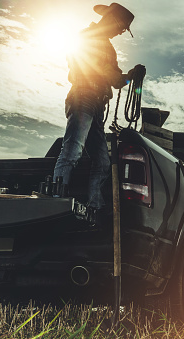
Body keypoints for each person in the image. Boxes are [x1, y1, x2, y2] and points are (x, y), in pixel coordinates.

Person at [53, 3, 137, 217]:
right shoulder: (90, 37)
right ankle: (57, 198)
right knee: (73, 149)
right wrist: (130, 75)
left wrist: (128, 76)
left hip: (96, 104)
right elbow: (114, 78)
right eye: (121, 27)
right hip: (84, 97)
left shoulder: (105, 45)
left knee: (101, 160)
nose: (120, 32)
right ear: (113, 20)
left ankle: (94, 205)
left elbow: (114, 78)